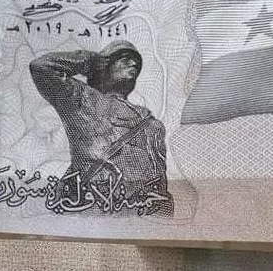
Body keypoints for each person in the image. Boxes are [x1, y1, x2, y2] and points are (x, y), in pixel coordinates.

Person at [29, 40, 173, 216]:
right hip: (96, 207)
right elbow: (42, 67)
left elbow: (159, 179)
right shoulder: (83, 99)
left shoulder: (153, 124)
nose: (134, 64)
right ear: (104, 65)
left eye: (136, 62)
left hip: (140, 211)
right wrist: (90, 61)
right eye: (125, 59)